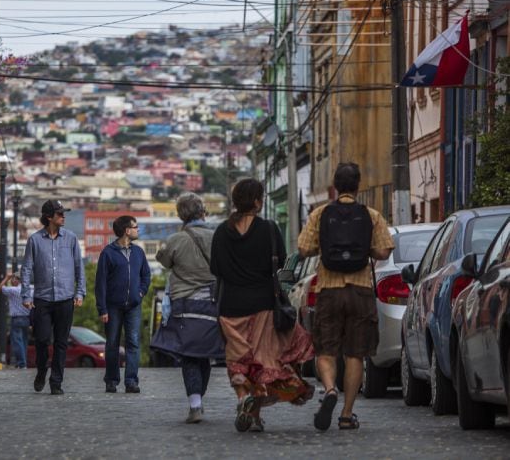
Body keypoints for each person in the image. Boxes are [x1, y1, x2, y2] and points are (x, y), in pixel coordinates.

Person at [210, 178, 315, 433]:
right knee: (259, 360)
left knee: (238, 360)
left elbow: (216, 269)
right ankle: (253, 412)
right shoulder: (269, 229)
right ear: (257, 201)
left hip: (231, 307)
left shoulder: (222, 231)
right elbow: (279, 263)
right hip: (263, 305)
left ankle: (245, 401)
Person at [298, 162, 394, 431]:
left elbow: (303, 248)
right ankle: (346, 414)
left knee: (325, 350)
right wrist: (363, 250)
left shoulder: (320, 214)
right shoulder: (371, 215)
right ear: (358, 185)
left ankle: (329, 389)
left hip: (328, 290)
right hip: (360, 291)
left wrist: (325, 247)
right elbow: (385, 251)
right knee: (355, 354)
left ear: (335, 186)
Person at [151, 193, 224, 424]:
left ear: (181, 214)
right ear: (203, 211)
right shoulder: (218, 238)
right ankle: (198, 398)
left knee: (189, 353)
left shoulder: (176, 239)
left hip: (184, 304)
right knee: (205, 353)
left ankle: (195, 403)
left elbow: (163, 260)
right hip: (213, 303)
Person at [20, 200, 85, 395]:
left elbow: (78, 268)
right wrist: (25, 294)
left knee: (61, 342)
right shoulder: (35, 240)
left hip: (66, 299)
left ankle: (56, 382)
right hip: (43, 299)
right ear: (49, 217)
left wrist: (80, 292)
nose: (63, 216)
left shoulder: (71, 239)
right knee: (41, 340)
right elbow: (26, 268)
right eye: (59, 214)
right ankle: (41, 370)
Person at [95, 215, 151, 394]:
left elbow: (146, 276)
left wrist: (140, 292)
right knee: (112, 344)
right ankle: (111, 380)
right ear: (127, 231)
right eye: (135, 227)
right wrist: (102, 308)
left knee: (133, 342)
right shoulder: (108, 253)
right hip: (112, 307)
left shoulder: (139, 252)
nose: (137, 230)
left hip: (133, 306)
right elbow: (100, 283)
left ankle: (131, 381)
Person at [0, 273, 29, 369]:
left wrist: (6, 277)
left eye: (13, 279)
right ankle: (23, 362)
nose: (12, 281)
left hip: (17, 319)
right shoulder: (28, 290)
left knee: (17, 341)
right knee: (24, 341)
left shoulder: (13, 290)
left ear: (17, 280)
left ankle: (22, 363)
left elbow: (0, 287)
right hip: (27, 318)